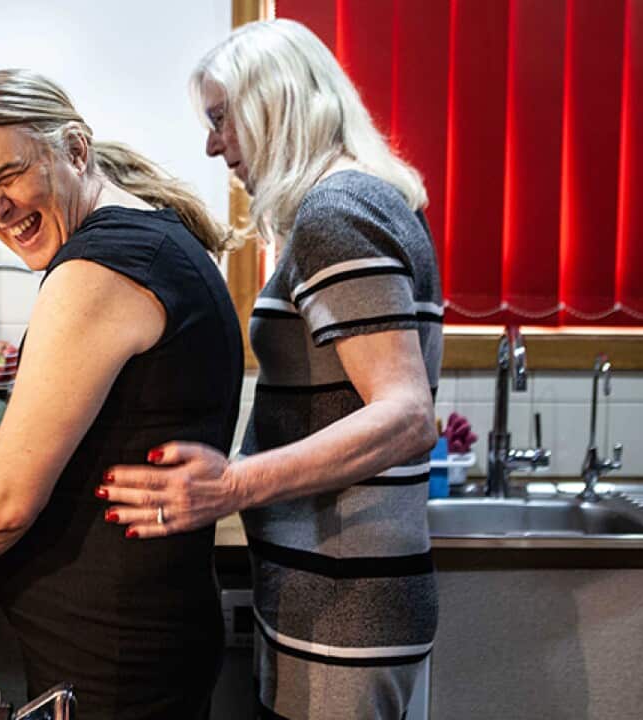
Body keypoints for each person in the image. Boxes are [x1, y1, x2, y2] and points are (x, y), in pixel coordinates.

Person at [0, 68, 243, 720]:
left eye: (8, 178)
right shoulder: (143, 240)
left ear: (77, 150)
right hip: (133, 639)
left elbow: (7, 506)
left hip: (113, 658)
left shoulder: (100, 269)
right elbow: (92, 455)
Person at [102, 19, 443, 719]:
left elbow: (407, 416)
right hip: (334, 591)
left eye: (223, 118)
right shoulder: (359, 202)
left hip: (344, 602)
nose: (212, 143)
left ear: (277, 103)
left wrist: (234, 484)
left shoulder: (337, 214)